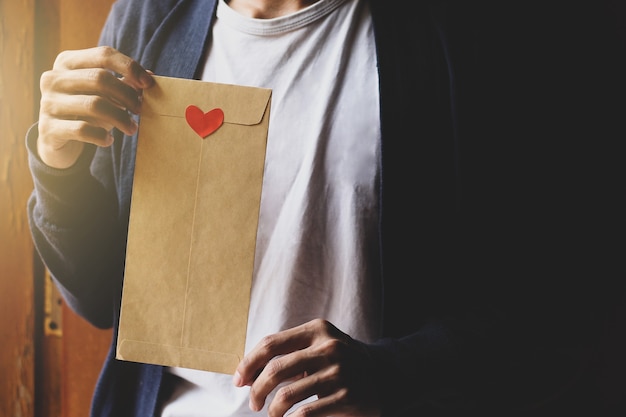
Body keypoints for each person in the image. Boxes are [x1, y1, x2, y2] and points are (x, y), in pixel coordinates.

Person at [26, 0, 625, 416]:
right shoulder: (149, 19)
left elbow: (556, 299)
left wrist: (396, 373)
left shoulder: (461, 30)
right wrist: (57, 164)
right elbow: (100, 299)